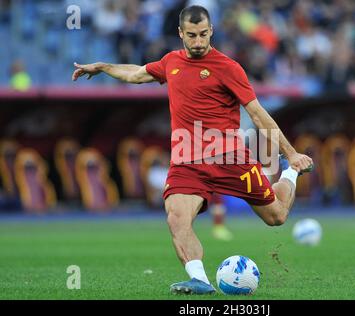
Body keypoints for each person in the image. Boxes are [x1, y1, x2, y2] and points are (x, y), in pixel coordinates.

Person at [72, 5, 314, 294]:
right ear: (180, 34)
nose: (198, 42)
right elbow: (136, 74)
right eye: (191, 35)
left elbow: (259, 114)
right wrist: (103, 67)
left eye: (202, 35)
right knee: (176, 216)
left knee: (276, 217)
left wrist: (290, 154)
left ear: (211, 31)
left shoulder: (228, 67)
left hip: (230, 158)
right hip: (187, 161)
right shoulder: (170, 62)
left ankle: (290, 174)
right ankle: (199, 279)